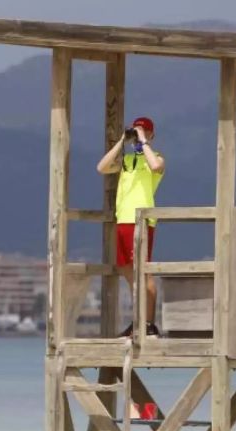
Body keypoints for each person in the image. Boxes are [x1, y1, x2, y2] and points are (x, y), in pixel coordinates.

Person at [96, 117, 165, 337]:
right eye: (137, 130)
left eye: (144, 131)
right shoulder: (126, 160)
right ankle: (138, 321)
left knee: (144, 272)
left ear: (152, 134)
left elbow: (155, 166)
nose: (139, 133)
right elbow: (102, 167)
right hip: (123, 219)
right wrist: (122, 141)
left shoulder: (157, 159)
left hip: (142, 220)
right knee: (128, 271)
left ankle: (149, 324)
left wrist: (143, 141)